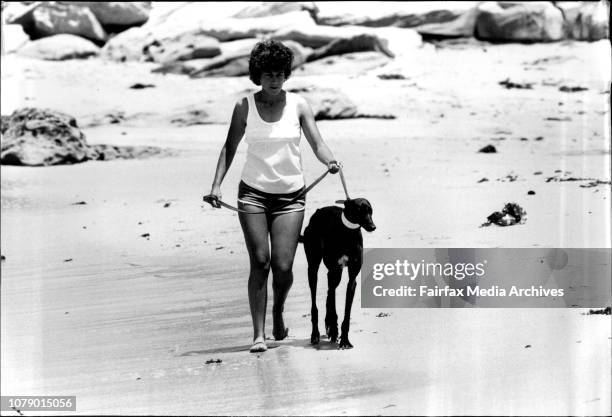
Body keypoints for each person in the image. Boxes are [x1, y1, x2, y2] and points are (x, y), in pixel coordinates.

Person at [208, 40, 341, 353]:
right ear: (257, 74)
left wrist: (330, 160)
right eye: (268, 73)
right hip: (252, 193)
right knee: (260, 261)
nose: (274, 78)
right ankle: (258, 334)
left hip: (290, 196)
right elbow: (229, 147)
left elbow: (317, 143)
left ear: (286, 74)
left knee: (283, 266)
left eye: (280, 73)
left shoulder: (299, 105)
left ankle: (278, 310)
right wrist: (216, 186)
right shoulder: (245, 107)